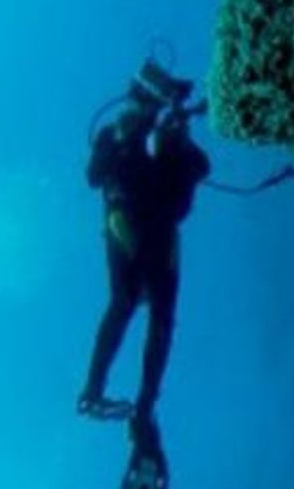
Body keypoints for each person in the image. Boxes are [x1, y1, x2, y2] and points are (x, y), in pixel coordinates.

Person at [77, 76, 210, 427]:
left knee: (153, 313)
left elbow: (200, 167)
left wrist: (177, 139)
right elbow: (94, 175)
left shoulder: (169, 133)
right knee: (132, 302)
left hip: (156, 227)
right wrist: (126, 138)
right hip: (132, 221)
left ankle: (137, 401)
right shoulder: (118, 133)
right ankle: (99, 393)